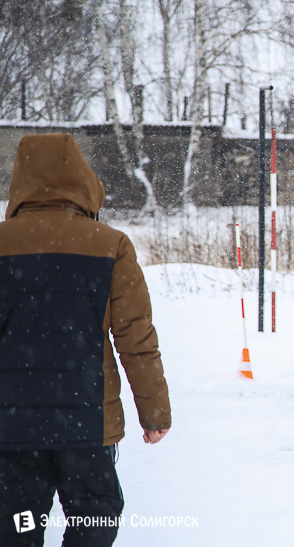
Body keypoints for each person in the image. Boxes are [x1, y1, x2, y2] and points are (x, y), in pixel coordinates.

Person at [0, 133, 171, 546]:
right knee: (93, 518)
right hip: (87, 422)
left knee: (18, 524)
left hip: (11, 424)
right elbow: (136, 338)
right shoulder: (110, 245)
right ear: (84, 180)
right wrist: (155, 414)